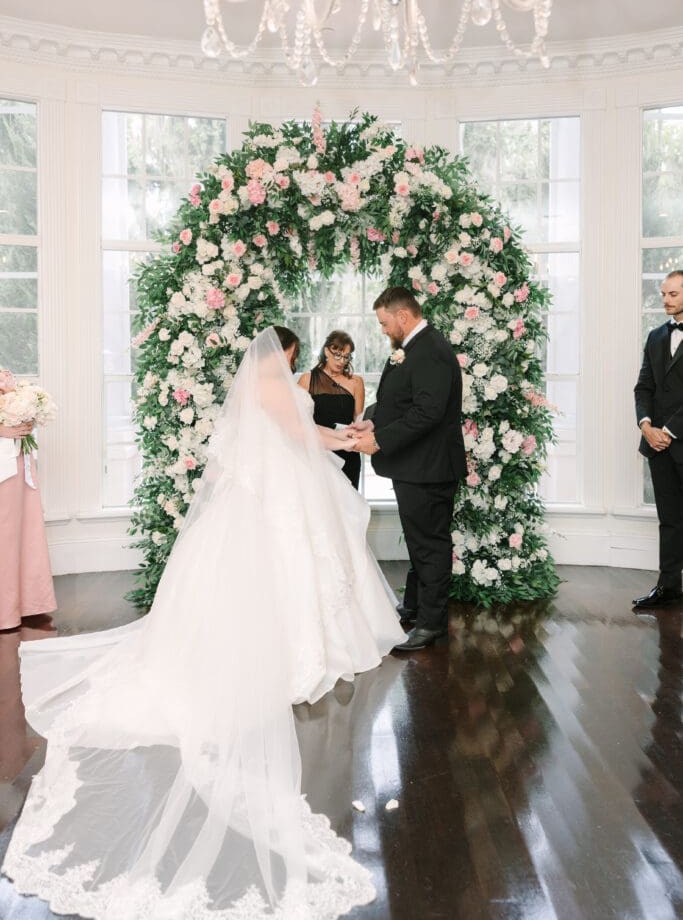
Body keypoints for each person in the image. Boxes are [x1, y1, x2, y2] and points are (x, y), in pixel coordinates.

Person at [2, 326, 404, 919]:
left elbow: (298, 434)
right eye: (292, 355)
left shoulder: (264, 389)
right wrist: (346, 438)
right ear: (283, 356)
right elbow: (299, 434)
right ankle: (296, 646)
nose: (291, 362)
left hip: (278, 487)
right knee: (292, 567)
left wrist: (342, 435)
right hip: (280, 494)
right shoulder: (275, 388)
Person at [354, 287, 467, 651]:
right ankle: (416, 607)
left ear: (403, 316)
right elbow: (400, 402)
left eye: (385, 322)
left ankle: (431, 624)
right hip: (416, 466)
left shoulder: (430, 351)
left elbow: (427, 413)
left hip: (429, 467)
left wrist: (379, 440)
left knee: (430, 545)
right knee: (419, 541)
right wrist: (372, 421)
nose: (384, 330)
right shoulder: (414, 347)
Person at [633, 269, 683, 609]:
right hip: (657, 445)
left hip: (676, 438)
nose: (665, 299)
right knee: (669, 518)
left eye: (673, 294)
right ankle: (669, 587)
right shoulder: (654, 337)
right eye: (663, 293)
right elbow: (644, 387)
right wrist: (646, 425)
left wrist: (668, 430)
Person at [0, 368, 56, 632]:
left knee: (22, 529)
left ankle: (25, 602)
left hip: (16, 458)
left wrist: (25, 418)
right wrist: (3, 428)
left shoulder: (5, 374)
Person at [298, 329, 364, 488]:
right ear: (327, 351)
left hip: (347, 451)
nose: (342, 361)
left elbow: (359, 421)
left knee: (349, 500)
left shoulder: (356, 382)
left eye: (346, 357)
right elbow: (297, 421)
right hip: (318, 449)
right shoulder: (307, 379)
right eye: (338, 355)